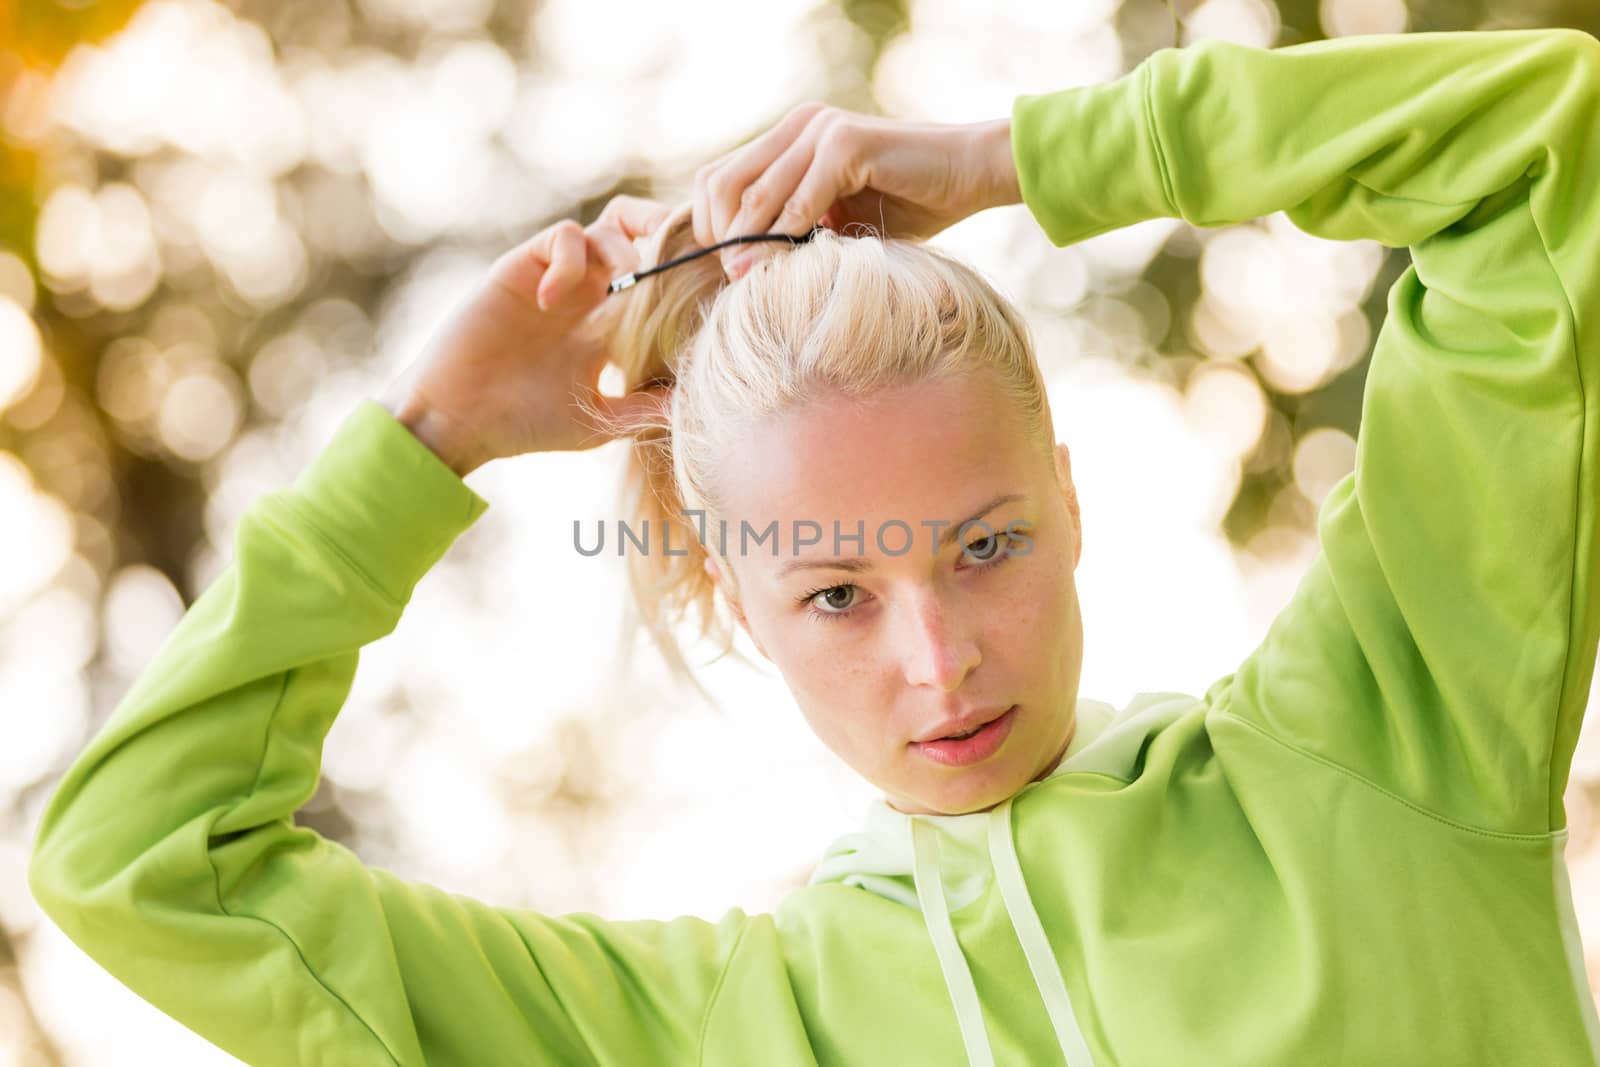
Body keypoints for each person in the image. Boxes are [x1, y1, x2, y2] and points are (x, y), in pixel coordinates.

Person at [25, 24, 1600, 1066]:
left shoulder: (1381, 744)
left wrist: (1017, 162)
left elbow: (1540, 148)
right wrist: (420, 453)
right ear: (732, 600)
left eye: (985, 547)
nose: (939, 662)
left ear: (1067, 495)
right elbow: (141, 865)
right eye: (837, 592)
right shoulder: (724, 1029)